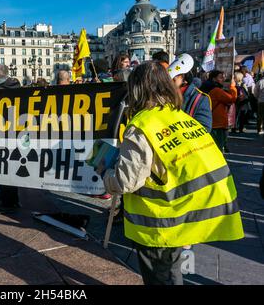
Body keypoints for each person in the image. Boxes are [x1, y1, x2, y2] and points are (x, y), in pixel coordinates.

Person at [99, 61, 244, 285]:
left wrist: (104, 171)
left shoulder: (141, 126)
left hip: (159, 223)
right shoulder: (181, 117)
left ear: (136, 90)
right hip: (190, 212)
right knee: (172, 272)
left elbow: (125, 181)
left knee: (160, 277)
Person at [0, 64, 22, 214]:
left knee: (3, 169)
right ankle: (13, 200)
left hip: (1, 135)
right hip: (17, 133)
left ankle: (8, 203)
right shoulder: (18, 87)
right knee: (12, 168)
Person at [168, 54, 212, 132]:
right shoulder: (166, 94)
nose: (171, 81)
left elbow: (204, 128)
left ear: (185, 80)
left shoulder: (200, 99)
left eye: (175, 78)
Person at [201, 70, 237, 152]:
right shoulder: (216, 90)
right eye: (221, 77)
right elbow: (231, 99)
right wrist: (232, 87)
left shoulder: (207, 87)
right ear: (214, 79)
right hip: (217, 124)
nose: (223, 79)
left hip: (211, 121)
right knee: (218, 148)